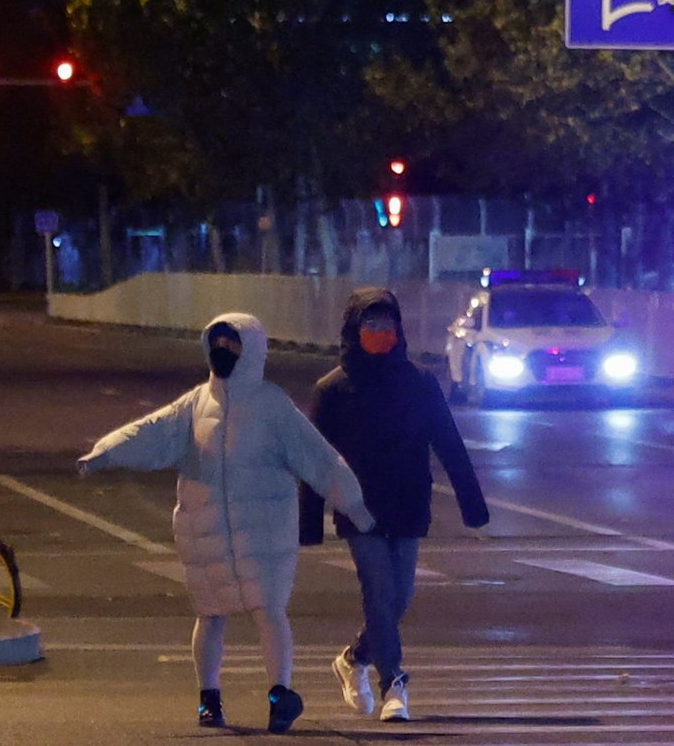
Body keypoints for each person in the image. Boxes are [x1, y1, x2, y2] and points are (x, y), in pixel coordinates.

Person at [78, 313, 375, 734]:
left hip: (264, 533)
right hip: (206, 533)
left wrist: (355, 505)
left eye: (232, 345)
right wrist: (105, 452)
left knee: (269, 611)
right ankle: (208, 701)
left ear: (251, 350)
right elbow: (152, 432)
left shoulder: (272, 405)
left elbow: (318, 457)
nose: (223, 353)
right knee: (210, 615)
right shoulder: (196, 403)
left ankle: (280, 695)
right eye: (217, 344)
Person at [302, 287, 489, 723]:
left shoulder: (419, 383)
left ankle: (354, 658)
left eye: (387, 327)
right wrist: (309, 520)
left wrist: (472, 505)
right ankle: (394, 685)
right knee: (379, 592)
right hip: (358, 508)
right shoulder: (332, 390)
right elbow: (315, 457)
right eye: (371, 327)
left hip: (407, 504)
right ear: (355, 330)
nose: (380, 334)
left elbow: (449, 443)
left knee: (399, 597)